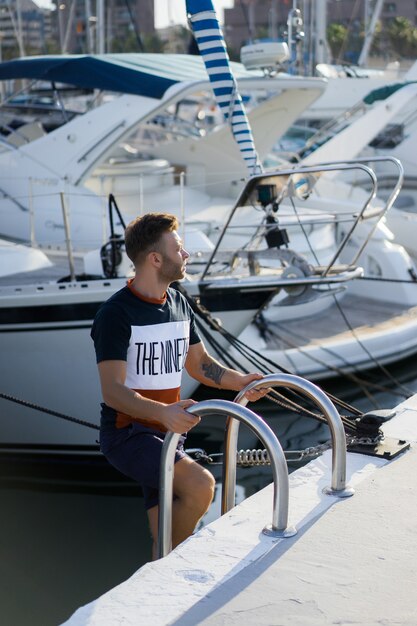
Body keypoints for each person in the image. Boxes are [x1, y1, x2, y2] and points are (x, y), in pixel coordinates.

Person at [91, 212, 266, 559]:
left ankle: (160, 582)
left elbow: (200, 366)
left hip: (169, 432)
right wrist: (164, 413)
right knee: (201, 485)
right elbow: (113, 391)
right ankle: (167, 573)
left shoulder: (178, 303)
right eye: (179, 247)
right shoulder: (116, 314)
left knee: (165, 534)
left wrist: (241, 382)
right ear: (155, 259)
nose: (186, 255)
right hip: (129, 435)